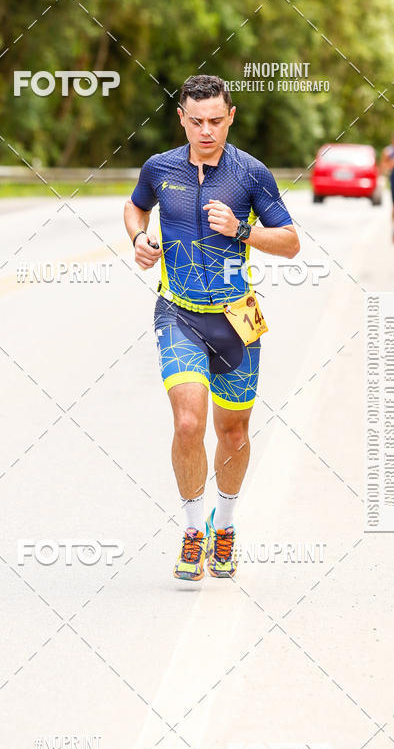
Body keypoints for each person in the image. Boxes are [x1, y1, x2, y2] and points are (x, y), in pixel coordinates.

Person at [123, 74, 299, 582]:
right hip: (177, 311)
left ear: (231, 118)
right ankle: (193, 529)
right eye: (196, 122)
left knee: (233, 430)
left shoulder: (250, 174)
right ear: (181, 118)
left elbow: (290, 242)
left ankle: (226, 526)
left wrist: (242, 229)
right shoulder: (160, 168)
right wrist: (139, 238)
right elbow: (136, 207)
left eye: (216, 122)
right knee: (187, 423)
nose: (206, 131)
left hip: (236, 319)